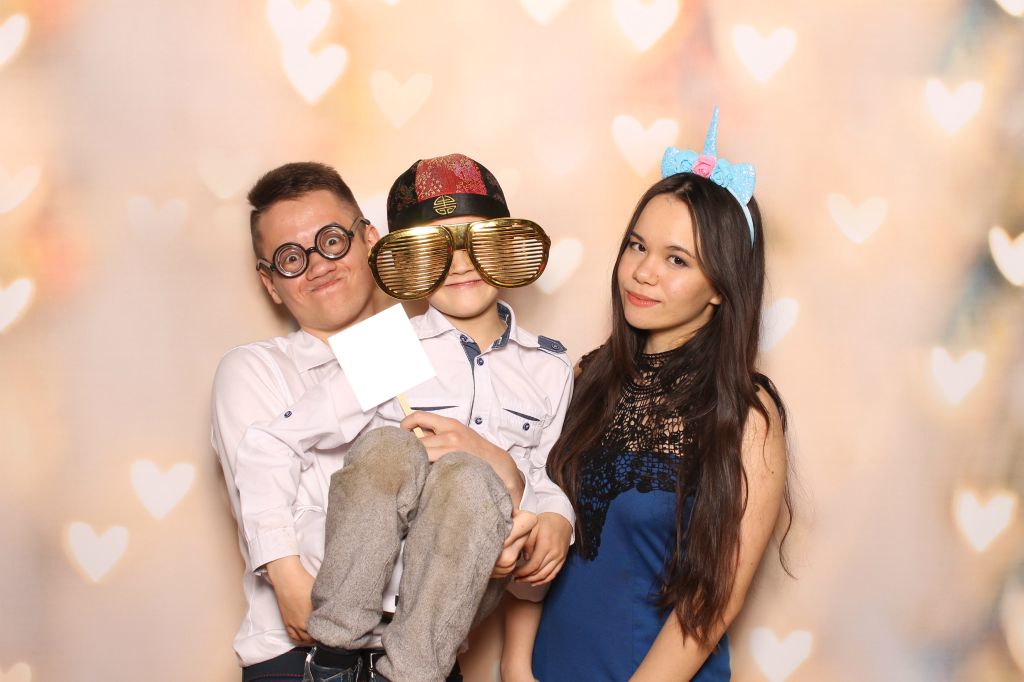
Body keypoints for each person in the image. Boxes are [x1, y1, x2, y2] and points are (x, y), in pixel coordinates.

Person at [234, 154, 575, 682]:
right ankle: (335, 651)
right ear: (402, 261)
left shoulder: (550, 367)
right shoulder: (389, 346)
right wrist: (280, 565)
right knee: (389, 447)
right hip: (362, 596)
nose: (460, 264)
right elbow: (272, 443)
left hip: (454, 597)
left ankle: (410, 674)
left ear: (507, 245)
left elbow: (549, 478)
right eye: (432, 249)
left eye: (478, 242)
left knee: (470, 479)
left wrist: (557, 517)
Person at [530, 109, 792, 681]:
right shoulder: (584, 377)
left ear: (722, 285)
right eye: (636, 246)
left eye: (677, 259)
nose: (642, 272)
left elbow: (708, 606)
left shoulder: (748, 415)